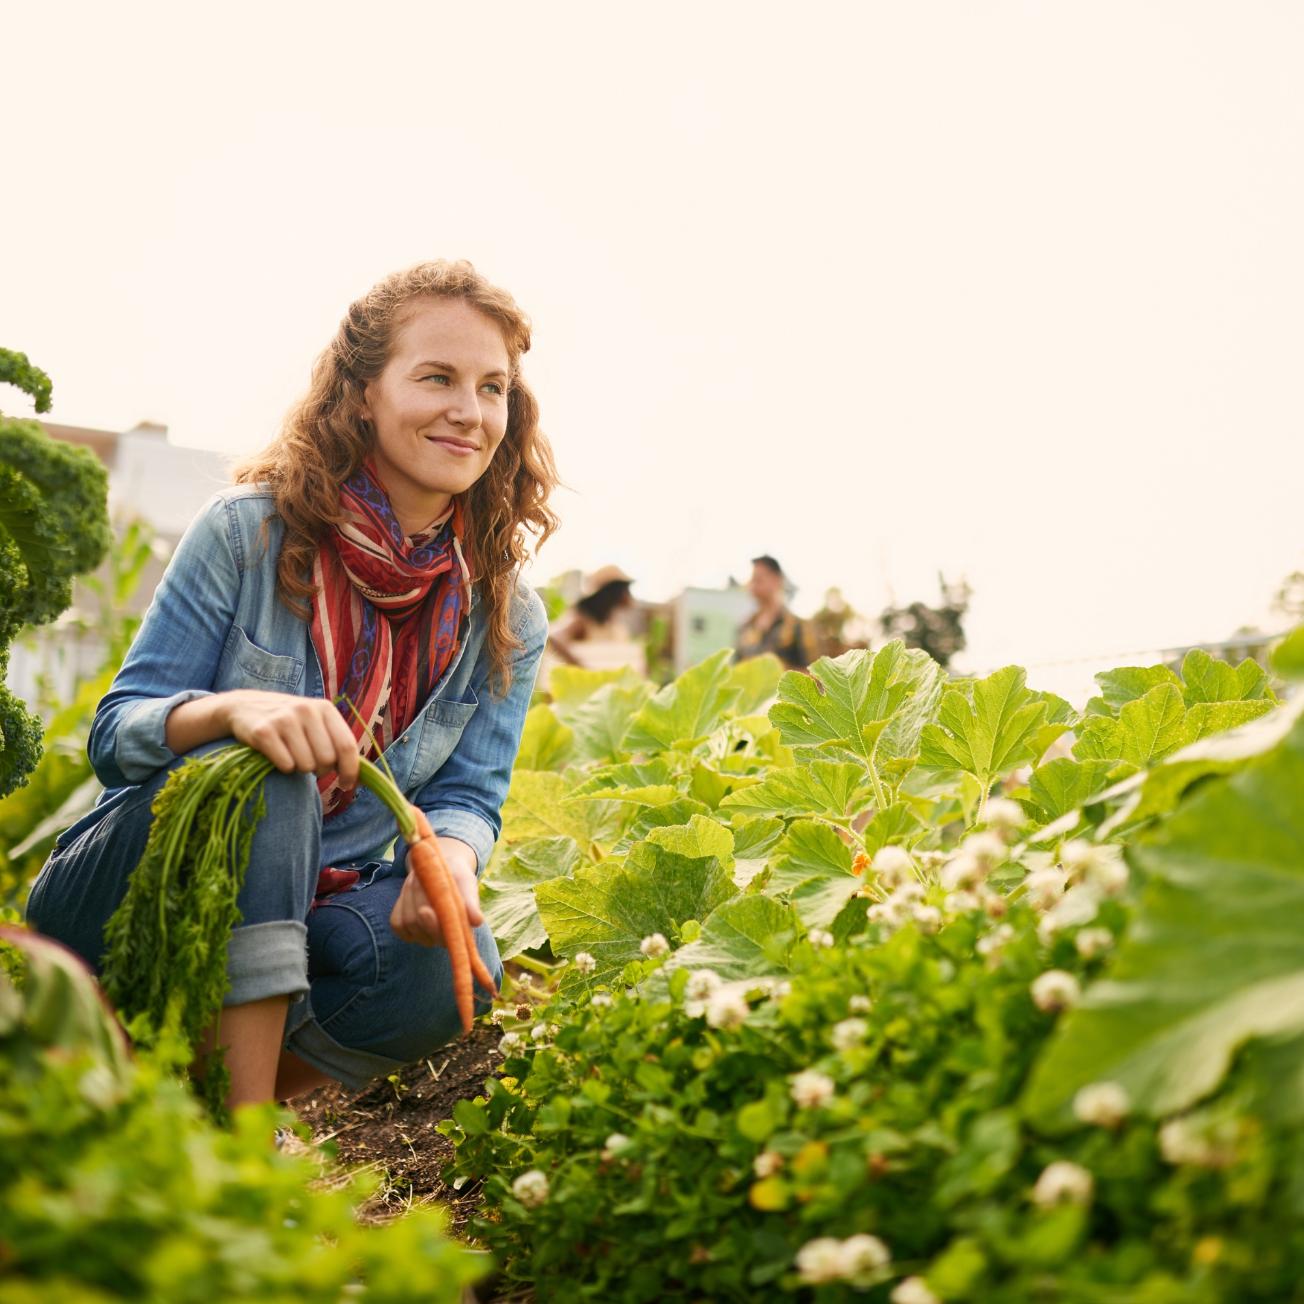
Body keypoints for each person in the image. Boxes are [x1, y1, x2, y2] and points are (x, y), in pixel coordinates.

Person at [25, 260, 558, 1112]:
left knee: (454, 963)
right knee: (272, 777)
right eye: (437, 377)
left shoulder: (507, 615)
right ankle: (238, 1157)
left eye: (493, 388)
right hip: (132, 896)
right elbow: (116, 735)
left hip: (310, 908)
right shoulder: (248, 533)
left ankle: (195, 1108)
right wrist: (235, 710)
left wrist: (450, 857)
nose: (469, 409)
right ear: (360, 396)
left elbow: (470, 793)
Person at [540, 564, 647, 687]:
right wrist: (584, 670)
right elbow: (554, 638)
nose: (628, 595)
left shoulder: (612, 623)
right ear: (613, 592)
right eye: (625, 589)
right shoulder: (582, 619)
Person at [735, 554, 818, 671]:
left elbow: (814, 673)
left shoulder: (798, 627)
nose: (752, 584)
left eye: (758, 579)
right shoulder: (745, 626)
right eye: (752, 580)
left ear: (777, 580)